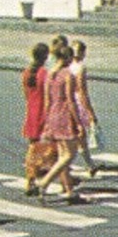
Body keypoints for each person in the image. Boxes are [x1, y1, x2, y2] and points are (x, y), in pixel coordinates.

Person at [35, 43, 87, 204]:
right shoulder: (67, 75)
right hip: (65, 115)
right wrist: (78, 122)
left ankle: (68, 190)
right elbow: (71, 101)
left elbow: (47, 100)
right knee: (69, 155)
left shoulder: (50, 74)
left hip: (53, 115)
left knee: (62, 155)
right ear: (68, 58)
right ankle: (44, 182)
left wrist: (47, 120)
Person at [21, 43, 53, 195]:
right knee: (52, 149)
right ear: (46, 57)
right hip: (44, 113)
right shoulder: (45, 74)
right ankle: (60, 177)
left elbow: (26, 94)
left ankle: (30, 180)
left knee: (33, 149)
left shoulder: (27, 73)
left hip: (31, 113)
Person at [71, 40, 103, 177]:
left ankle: (90, 164)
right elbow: (82, 91)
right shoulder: (81, 68)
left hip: (66, 101)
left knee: (75, 136)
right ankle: (89, 165)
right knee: (80, 135)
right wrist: (90, 112)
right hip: (77, 101)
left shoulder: (66, 66)